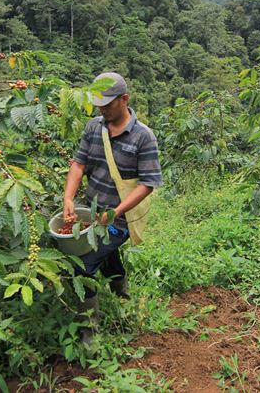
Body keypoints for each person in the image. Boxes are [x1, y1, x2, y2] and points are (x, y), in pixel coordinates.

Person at [62, 72, 162, 344]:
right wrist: (68, 198)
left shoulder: (143, 137)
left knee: (83, 264)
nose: (102, 109)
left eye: (108, 104)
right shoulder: (94, 128)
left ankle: (89, 334)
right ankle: (122, 294)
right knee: (105, 256)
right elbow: (79, 163)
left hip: (121, 220)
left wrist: (115, 212)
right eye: (99, 105)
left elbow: (148, 184)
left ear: (125, 99)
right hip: (92, 213)